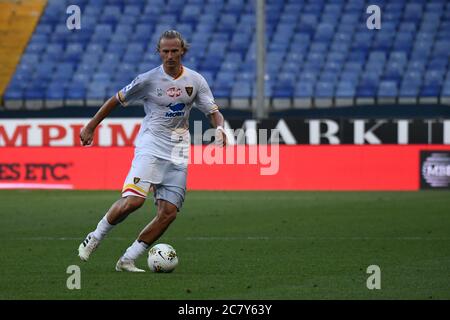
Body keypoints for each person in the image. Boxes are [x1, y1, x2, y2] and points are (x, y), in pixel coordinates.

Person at [77, 30, 227, 272]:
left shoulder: (196, 81)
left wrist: (220, 129)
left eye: (174, 51)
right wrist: (91, 126)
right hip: (151, 147)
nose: (169, 56)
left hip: (178, 152)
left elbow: (212, 111)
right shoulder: (147, 80)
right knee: (134, 201)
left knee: (168, 213)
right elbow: (115, 99)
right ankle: (95, 236)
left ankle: (127, 259)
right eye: (165, 51)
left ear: (182, 51)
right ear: (159, 52)